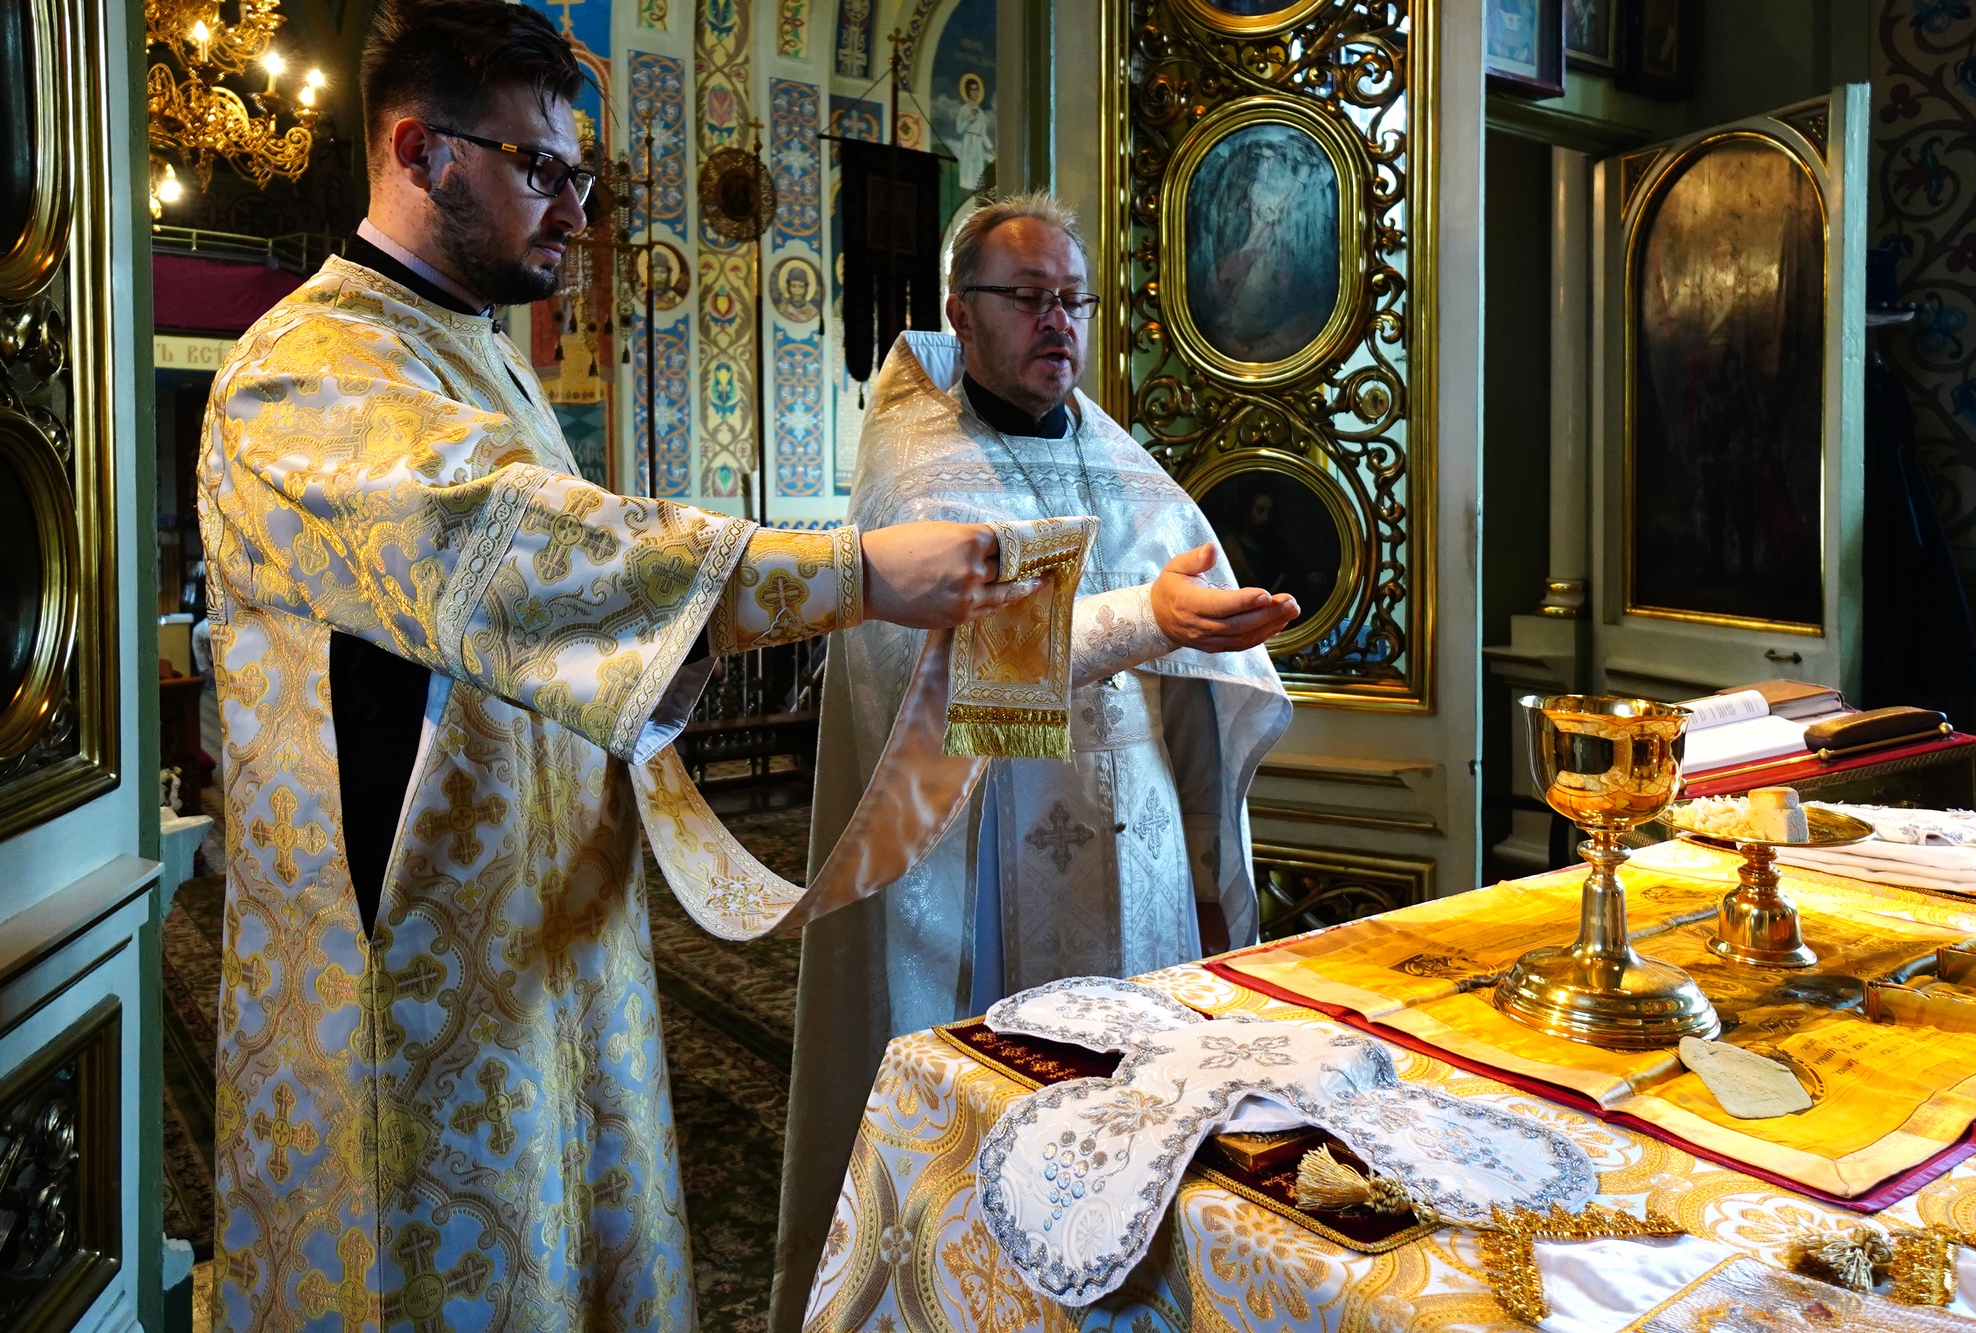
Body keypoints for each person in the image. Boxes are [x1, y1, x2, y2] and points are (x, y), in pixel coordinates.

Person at [198, 3, 1035, 1328]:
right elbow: (513, 554)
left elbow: (560, 648)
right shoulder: (302, 374)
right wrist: (857, 571)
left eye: (580, 175)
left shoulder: (473, 348)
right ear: (422, 151)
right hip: (414, 987)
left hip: (543, 936)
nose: (576, 209)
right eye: (541, 169)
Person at [771, 193, 1300, 1331]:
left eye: (1072, 301)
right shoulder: (918, 465)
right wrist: (1151, 618)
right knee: (1004, 1125)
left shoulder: (1115, 455)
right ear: (961, 312)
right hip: (979, 859)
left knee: (1137, 1127)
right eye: (1028, 299)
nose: (1057, 322)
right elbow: (965, 672)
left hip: (1138, 846)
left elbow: (1184, 637)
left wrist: (1207, 651)